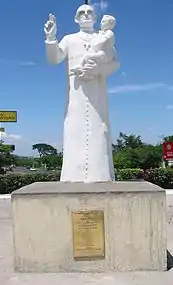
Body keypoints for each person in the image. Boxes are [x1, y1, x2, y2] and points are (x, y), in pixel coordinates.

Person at [44, 4, 120, 182]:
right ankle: (72, 177)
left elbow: (115, 63)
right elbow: (54, 58)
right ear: (75, 19)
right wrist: (51, 37)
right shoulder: (69, 39)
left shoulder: (104, 37)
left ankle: (101, 177)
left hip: (98, 95)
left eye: (89, 12)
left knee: (99, 132)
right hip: (76, 96)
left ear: (95, 17)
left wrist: (99, 70)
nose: (86, 15)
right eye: (81, 13)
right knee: (74, 133)